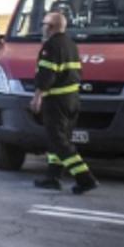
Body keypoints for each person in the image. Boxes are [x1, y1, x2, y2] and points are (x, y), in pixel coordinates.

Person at [32, 10, 95, 193]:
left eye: (43, 24)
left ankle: (85, 178)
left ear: (50, 27)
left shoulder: (50, 46)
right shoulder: (70, 44)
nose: (42, 28)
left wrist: (37, 97)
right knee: (59, 139)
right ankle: (53, 177)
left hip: (56, 101)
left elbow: (46, 76)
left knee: (59, 141)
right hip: (72, 99)